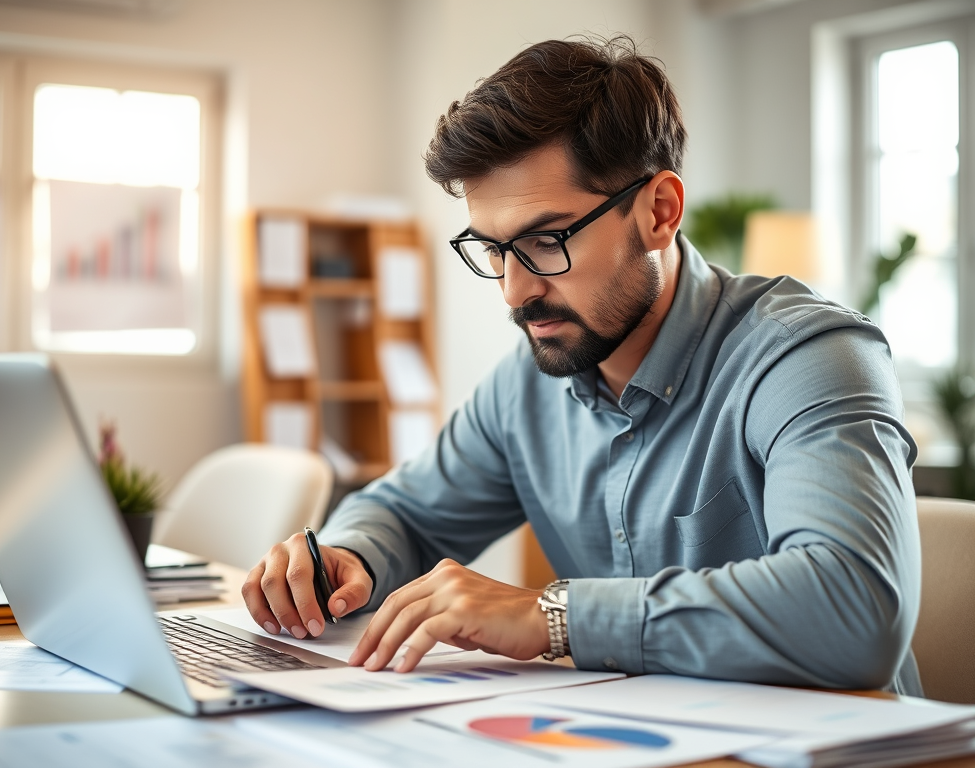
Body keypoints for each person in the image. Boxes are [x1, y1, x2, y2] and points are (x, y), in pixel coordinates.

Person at [242, 36, 922, 695]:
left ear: (659, 211)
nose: (514, 290)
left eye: (546, 240)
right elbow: (408, 515)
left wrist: (553, 617)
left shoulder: (808, 357)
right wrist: (348, 557)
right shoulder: (529, 383)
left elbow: (853, 607)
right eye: (494, 249)